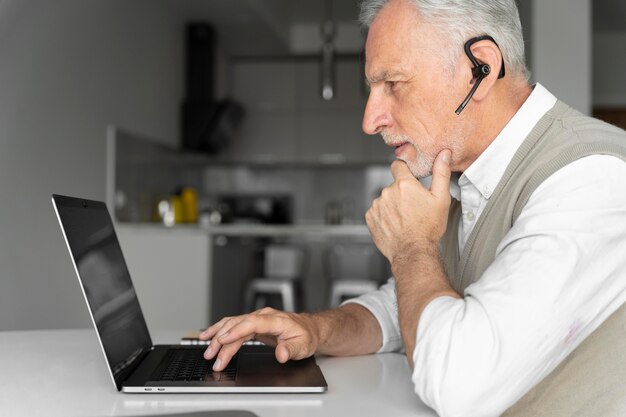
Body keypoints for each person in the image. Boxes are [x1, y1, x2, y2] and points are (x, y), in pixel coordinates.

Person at [199, 0, 626, 415]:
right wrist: (315, 330)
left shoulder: (591, 179)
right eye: (373, 89)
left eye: (393, 84)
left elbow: (460, 383)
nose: (370, 120)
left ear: (480, 68)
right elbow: (404, 305)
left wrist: (411, 246)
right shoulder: (466, 174)